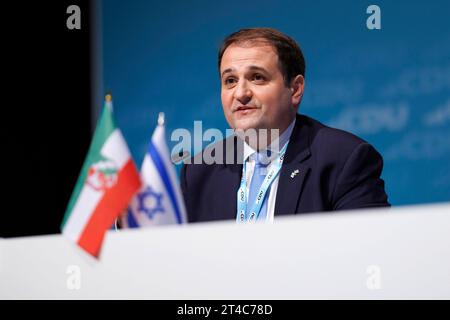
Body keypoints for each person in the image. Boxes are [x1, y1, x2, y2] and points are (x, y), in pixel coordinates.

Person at [180, 27, 389, 223]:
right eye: (230, 80)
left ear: (295, 89)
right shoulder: (200, 172)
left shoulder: (342, 159)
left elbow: (368, 247)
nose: (241, 93)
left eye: (257, 78)